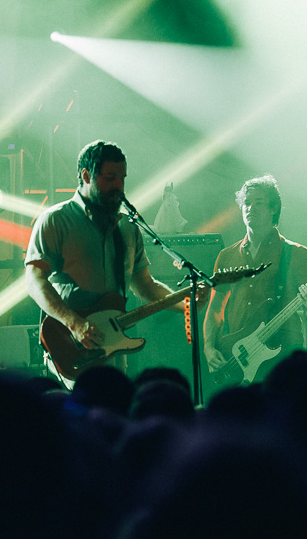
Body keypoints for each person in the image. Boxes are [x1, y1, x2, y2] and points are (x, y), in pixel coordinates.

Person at [24, 140, 200, 383]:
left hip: (114, 352)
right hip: (70, 347)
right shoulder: (55, 220)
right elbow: (34, 282)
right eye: (109, 178)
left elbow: (145, 285)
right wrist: (74, 323)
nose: (118, 185)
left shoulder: (129, 227)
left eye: (122, 178)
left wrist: (186, 304)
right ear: (86, 175)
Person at [202, 174, 307, 387]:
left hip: (283, 360)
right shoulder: (227, 256)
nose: (250, 208)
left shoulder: (296, 254)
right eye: (247, 203)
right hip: (238, 359)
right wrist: (208, 347)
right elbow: (215, 307)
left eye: (258, 203)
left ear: (273, 208)